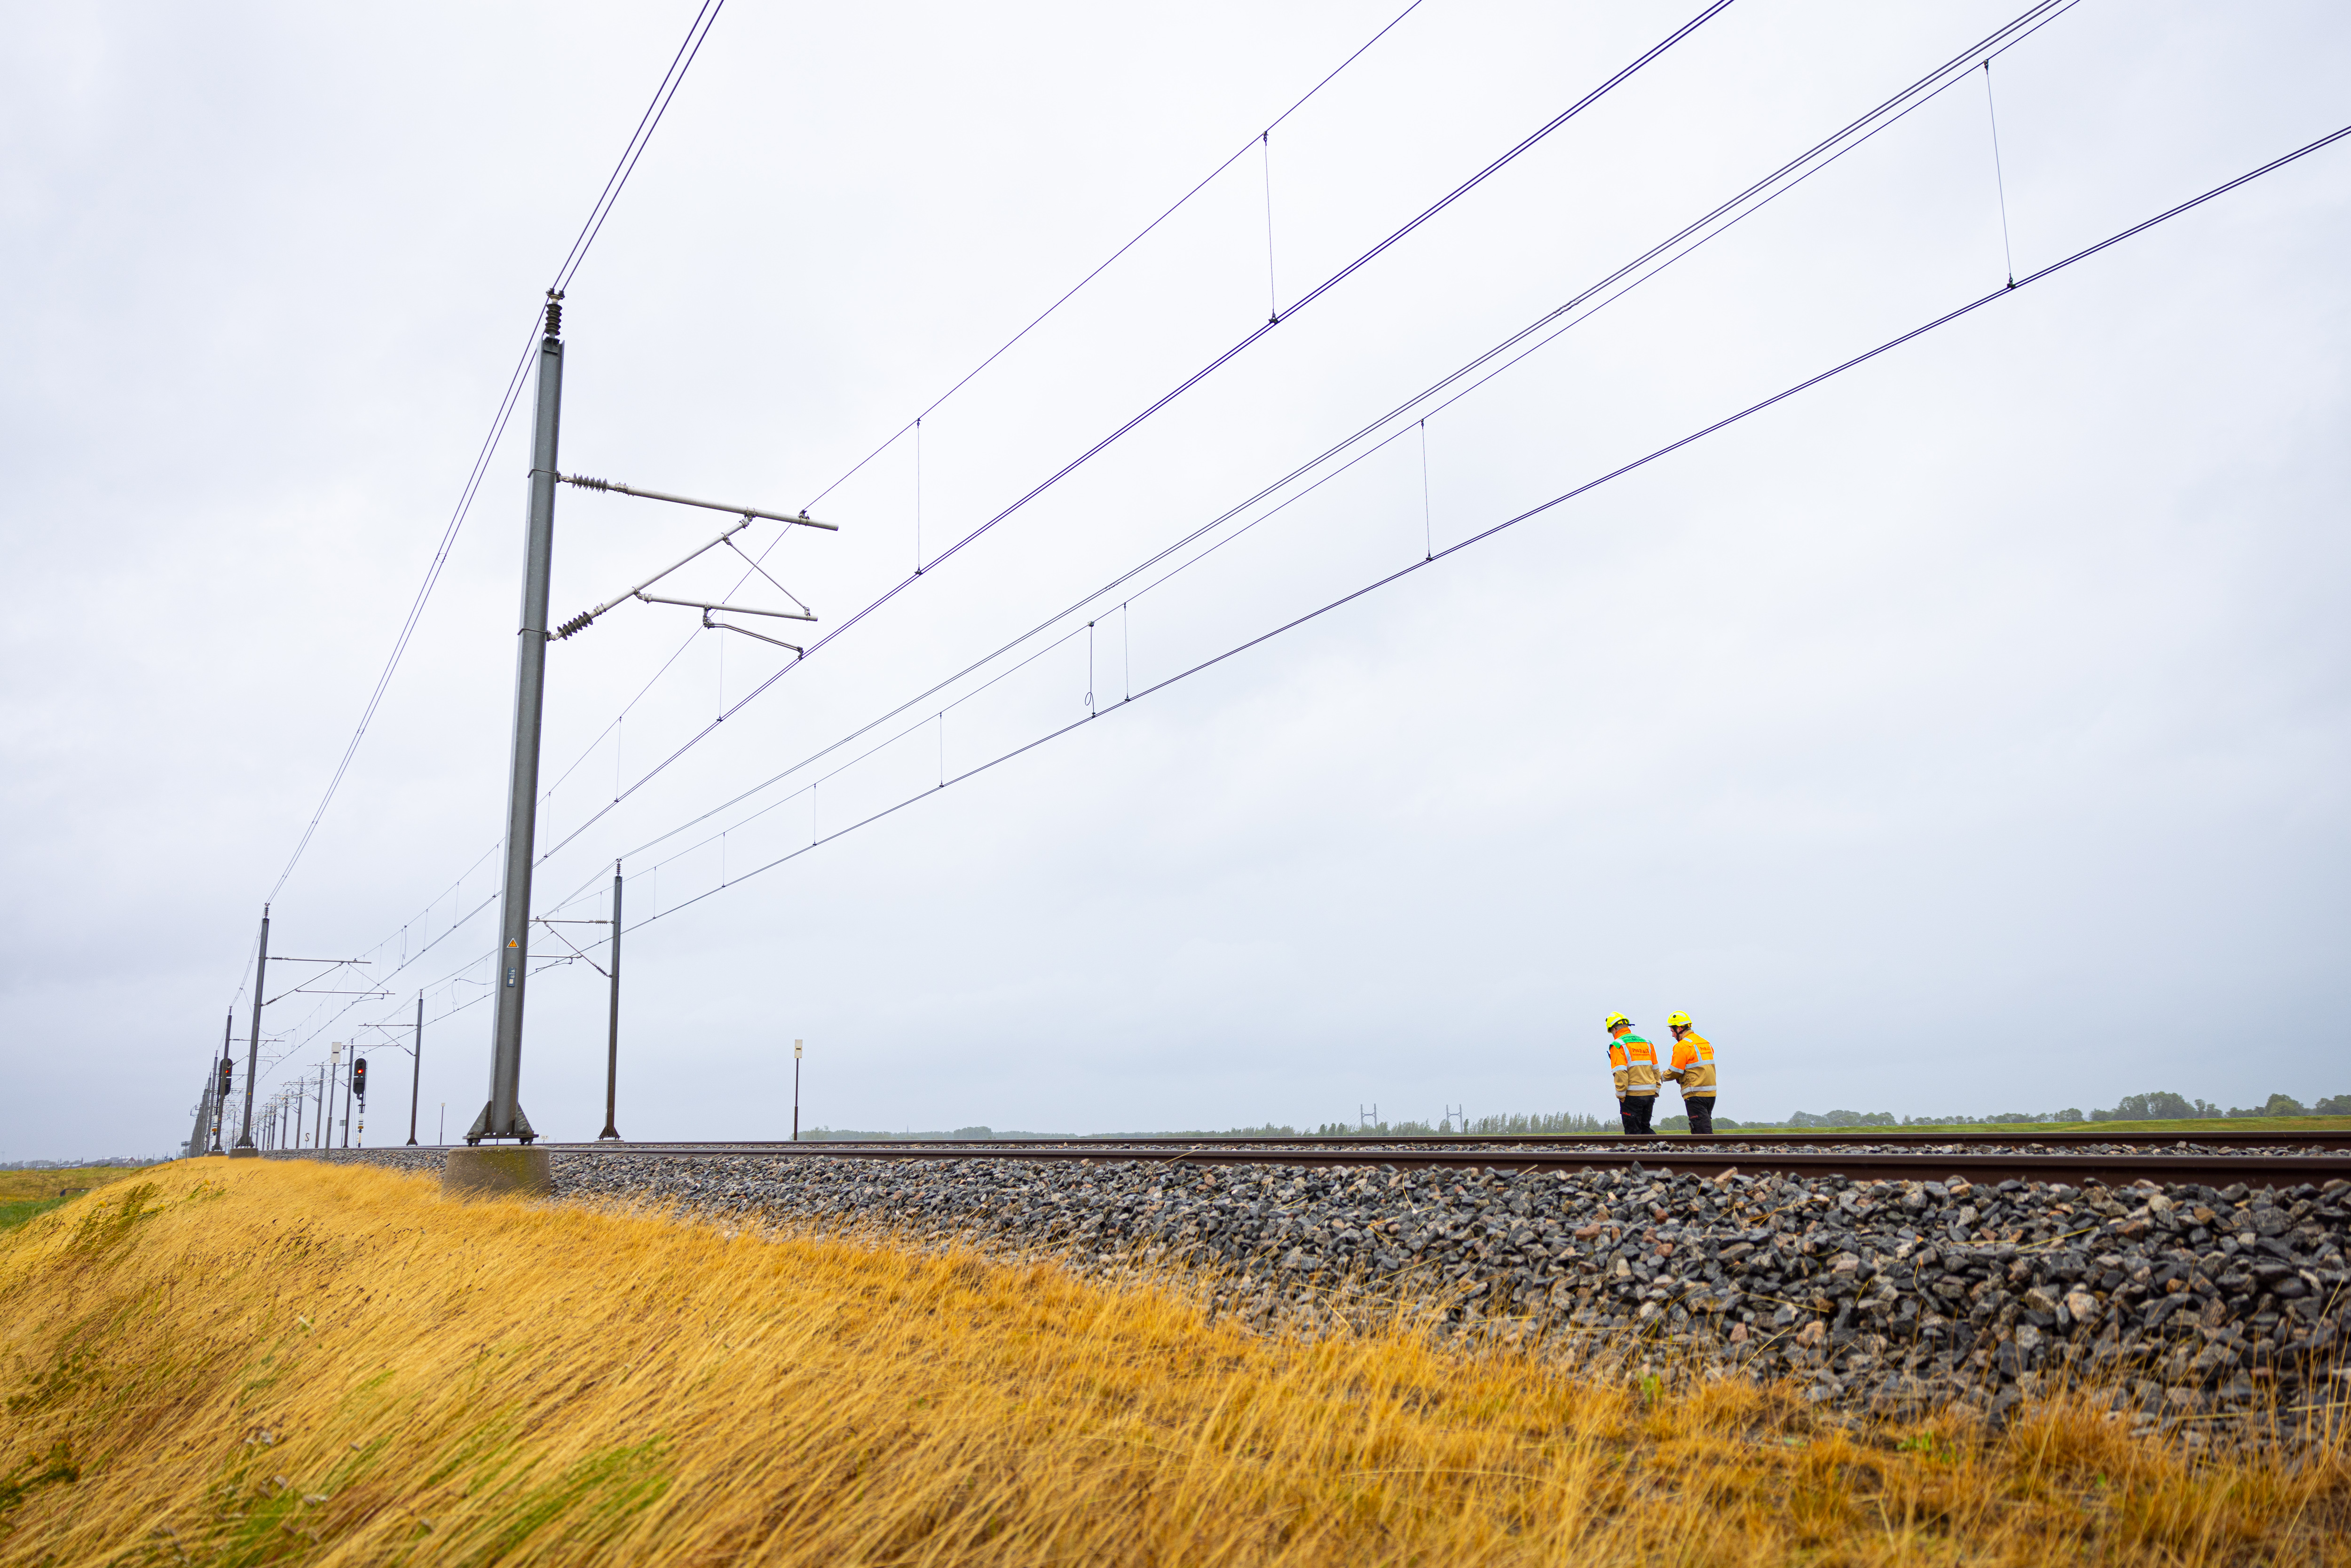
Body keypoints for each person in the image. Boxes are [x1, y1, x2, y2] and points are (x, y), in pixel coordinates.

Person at [1604, 1013, 1661, 1135]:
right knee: (1645, 1128)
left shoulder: (1618, 1045)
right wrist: (1656, 1090)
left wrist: (1621, 1095)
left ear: (1614, 1030)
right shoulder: (1647, 1043)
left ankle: (1640, 1154)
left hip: (1632, 1096)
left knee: (1633, 1134)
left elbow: (1621, 1073)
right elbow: (1656, 1070)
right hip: (1650, 1095)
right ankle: (1661, 1151)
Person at [1665, 1010, 1718, 1134]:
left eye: (1672, 1031)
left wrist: (1660, 1076)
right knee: (1703, 1126)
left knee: (1702, 1132)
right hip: (1711, 1094)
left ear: (1679, 1028)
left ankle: (1707, 1152)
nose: (1673, 1035)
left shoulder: (1682, 1046)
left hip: (1695, 1094)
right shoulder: (1705, 1043)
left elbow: (1675, 1072)